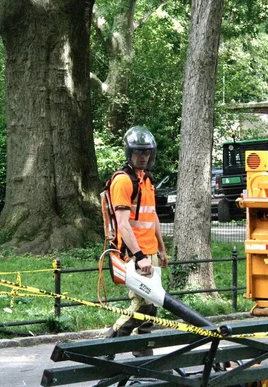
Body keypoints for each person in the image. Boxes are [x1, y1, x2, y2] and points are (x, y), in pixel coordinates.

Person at [106, 126, 168, 357]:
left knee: (150, 308)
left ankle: (140, 353)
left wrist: (161, 249)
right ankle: (108, 348)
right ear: (129, 153)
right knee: (142, 305)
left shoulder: (147, 180)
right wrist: (140, 256)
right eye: (138, 152)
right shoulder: (123, 181)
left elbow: (152, 217)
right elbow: (123, 224)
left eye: (146, 153)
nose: (142, 157)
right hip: (134, 255)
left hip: (149, 254)